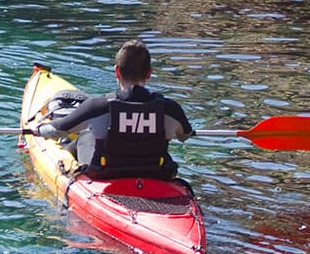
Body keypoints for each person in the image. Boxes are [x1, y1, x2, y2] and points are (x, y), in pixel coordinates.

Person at [38, 39, 194, 179]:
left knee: (86, 136)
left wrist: (37, 128)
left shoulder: (98, 106)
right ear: (149, 74)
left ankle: (68, 155)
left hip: (106, 175)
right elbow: (185, 135)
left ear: (117, 71)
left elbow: (53, 130)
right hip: (155, 174)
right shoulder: (170, 109)